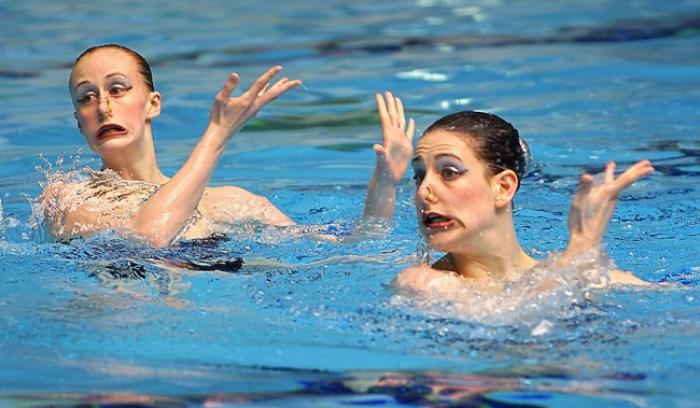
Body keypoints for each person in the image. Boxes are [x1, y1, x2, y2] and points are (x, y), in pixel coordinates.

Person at [41, 44, 415, 247]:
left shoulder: (226, 203)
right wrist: (217, 135)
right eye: (86, 98)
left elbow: (359, 248)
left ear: (153, 104)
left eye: (117, 89)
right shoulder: (66, 198)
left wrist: (385, 182)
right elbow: (148, 237)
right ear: (79, 122)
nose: (103, 106)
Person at [392, 110, 654, 297]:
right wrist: (582, 247)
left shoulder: (579, 274)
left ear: (503, 187)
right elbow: (511, 320)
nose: (423, 190)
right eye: (419, 176)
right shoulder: (422, 284)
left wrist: (580, 261)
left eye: (448, 172)